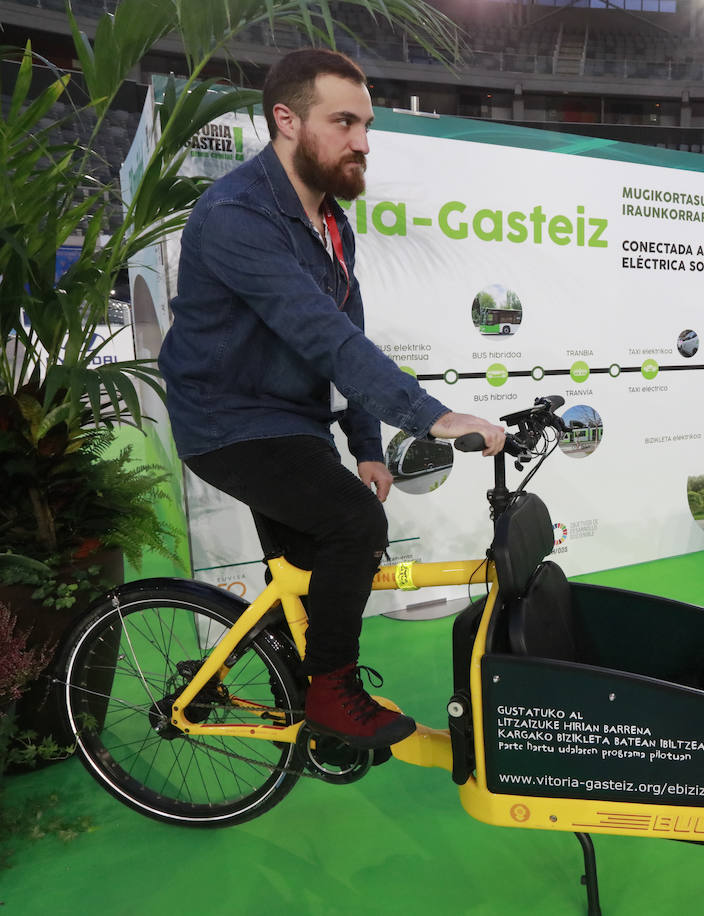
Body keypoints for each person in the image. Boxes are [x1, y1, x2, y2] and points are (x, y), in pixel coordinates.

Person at [158, 49, 506, 750]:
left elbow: (350, 333)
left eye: (366, 123)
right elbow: (323, 337)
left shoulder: (330, 221)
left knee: (310, 573)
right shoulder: (234, 216)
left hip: (292, 421)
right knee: (352, 525)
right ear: (285, 120)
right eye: (343, 122)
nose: (363, 142)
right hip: (228, 424)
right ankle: (331, 697)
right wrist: (433, 417)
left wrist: (370, 447)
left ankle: (295, 675)